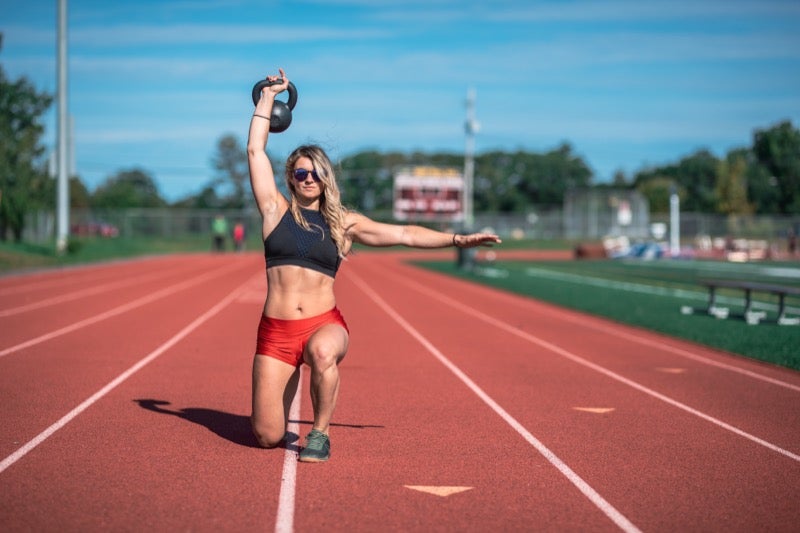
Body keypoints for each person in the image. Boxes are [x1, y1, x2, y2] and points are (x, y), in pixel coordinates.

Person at [248, 68, 501, 463]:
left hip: (321, 324)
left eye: (316, 172)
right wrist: (267, 98)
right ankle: (286, 391)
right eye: (301, 172)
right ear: (291, 179)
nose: (309, 177)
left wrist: (456, 239)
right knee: (265, 437)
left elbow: (406, 235)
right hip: (276, 333)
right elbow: (255, 152)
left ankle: (319, 432)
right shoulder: (273, 211)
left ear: (326, 177)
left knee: (323, 352)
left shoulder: (343, 224)